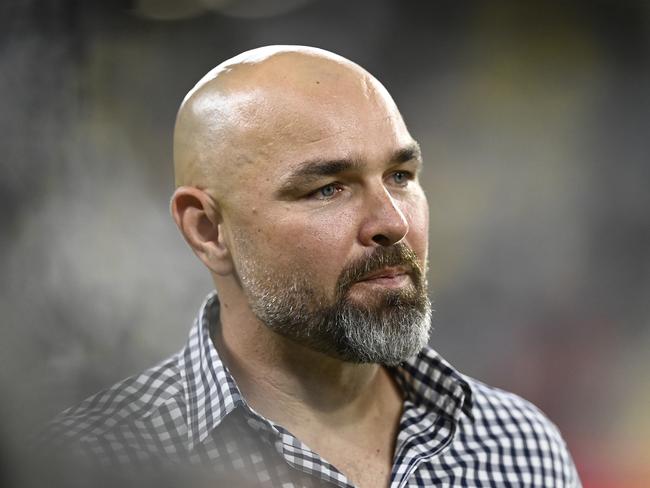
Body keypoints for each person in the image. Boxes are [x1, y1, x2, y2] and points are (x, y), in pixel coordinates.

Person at [39, 45, 581, 487]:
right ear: (207, 230)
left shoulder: (520, 448)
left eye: (400, 176)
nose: (390, 222)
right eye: (328, 189)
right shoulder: (90, 463)